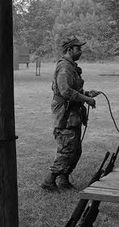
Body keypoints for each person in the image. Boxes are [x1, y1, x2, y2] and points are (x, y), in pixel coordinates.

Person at [41, 36, 100, 192]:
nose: (80, 51)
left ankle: (64, 179)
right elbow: (65, 91)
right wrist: (86, 99)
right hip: (65, 115)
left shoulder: (71, 66)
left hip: (73, 114)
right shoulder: (65, 67)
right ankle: (49, 180)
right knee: (67, 149)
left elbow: (72, 89)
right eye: (78, 49)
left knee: (75, 149)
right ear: (69, 50)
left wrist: (87, 93)